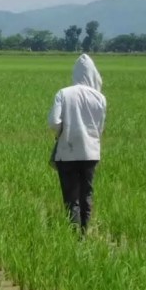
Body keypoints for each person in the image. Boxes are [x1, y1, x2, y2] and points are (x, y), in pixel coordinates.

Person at [47, 53, 107, 234]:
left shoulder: (64, 93)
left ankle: (73, 234)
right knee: (86, 193)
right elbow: (100, 127)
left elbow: (53, 122)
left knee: (71, 196)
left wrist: (61, 135)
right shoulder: (100, 97)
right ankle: (84, 232)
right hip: (91, 154)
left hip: (67, 152)